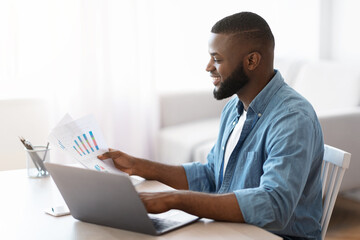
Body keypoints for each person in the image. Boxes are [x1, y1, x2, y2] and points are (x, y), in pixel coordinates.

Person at [98, 12, 324, 240]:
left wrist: (174, 199)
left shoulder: (292, 118)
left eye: (216, 59)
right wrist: (137, 166)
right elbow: (211, 176)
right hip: (232, 230)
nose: (208, 67)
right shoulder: (234, 108)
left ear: (252, 61)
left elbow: (275, 206)